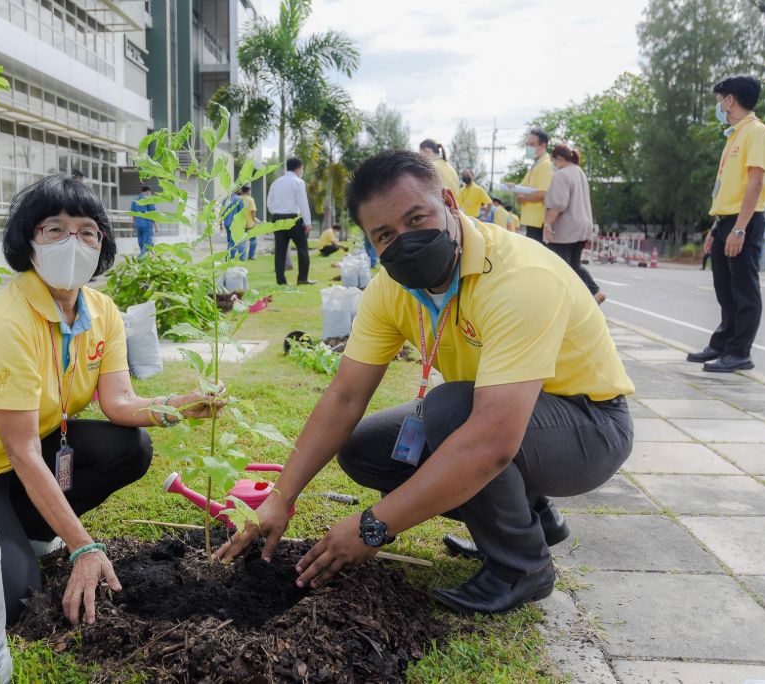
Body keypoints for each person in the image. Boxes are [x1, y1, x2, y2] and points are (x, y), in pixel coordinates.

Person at [217, 151, 634, 615]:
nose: (405, 241)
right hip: (502, 412)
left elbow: (492, 439)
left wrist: (373, 527)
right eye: (385, 235)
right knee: (365, 447)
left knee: (452, 413)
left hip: (589, 425)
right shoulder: (390, 289)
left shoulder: (520, 277)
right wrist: (281, 498)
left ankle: (522, 566)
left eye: (418, 218)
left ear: (450, 203)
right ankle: (533, 515)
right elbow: (345, 395)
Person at [0, 175, 224, 627]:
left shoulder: (102, 311)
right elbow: (23, 451)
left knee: (130, 448)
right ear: (29, 240)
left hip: (21, 458)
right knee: (14, 602)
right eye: (55, 229)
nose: (73, 241)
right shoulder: (7, 322)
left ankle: (23, 529)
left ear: (101, 244)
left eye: (87, 231)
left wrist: (178, 405)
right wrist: (84, 545)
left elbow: (119, 402)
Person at [687, 75, 765, 373]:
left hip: (743, 221)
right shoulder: (735, 134)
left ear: (730, 99)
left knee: (743, 290)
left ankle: (739, 352)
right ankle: (722, 343)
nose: (718, 105)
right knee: (724, 288)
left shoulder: (757, 132)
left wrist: (739, 228)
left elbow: (755, 181)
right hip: (725, 220)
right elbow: (726, 185)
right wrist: (716, 227)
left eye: (719, 99)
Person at [544, 145, 606, 305]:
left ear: (559, 159)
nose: (553, 163)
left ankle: (566, 300)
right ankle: (594, 291)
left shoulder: (561, 175)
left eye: (553, 160)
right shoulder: (579, 172)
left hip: (567, 227)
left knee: (559, 265)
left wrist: (548, 223)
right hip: (583, 225)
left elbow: (559, 204)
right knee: (574, 264)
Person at [267, 157, 315, 285]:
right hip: (293, 219)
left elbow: (269, 203)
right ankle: (302, 278)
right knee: (302, 248)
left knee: (280, 251)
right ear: (299, 168)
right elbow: (303, 203)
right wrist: (308, 223)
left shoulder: (275, 182)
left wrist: (276, 213)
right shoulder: (298, 182)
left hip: (277, 218)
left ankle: (281, 282)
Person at [516, 128, 554, 242]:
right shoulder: (536, 165)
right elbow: (521, 187)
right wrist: (513, 187)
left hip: (539, 221)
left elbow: (543, 193)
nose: (528, 147)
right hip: (532, 220)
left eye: (532, 144)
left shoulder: (546, 165)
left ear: (543, 145)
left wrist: (525, 198)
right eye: (527, 144)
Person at [130, 185, 156, 257]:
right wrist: (156, 226)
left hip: (138, 224)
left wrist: (134, 224)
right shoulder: (148, 200)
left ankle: (145, 254)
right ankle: (141, 257)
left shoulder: (135, 200)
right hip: (147, 224)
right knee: (147, 241)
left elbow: (133, 214)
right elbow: (153, 214)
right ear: (148, 192)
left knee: (141, 241)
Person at [222, 190, 246, 260]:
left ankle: (228, 257)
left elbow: (222, 212)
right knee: (236, 241)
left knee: (230, 241)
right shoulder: (239, 199)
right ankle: (238, 257)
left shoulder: (225, 200)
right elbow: (242, 212)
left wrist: (221, 224)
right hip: (235, 223)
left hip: (226, 223)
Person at [239, 185, 259, 260]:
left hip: (240, 224)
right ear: (247, 191)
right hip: (250, 223)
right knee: (253, 240)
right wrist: (254, 221)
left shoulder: (239, 199)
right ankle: (251, 255)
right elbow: (253, 212)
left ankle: (242, 257)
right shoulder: (250, 199)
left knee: (242, 241)